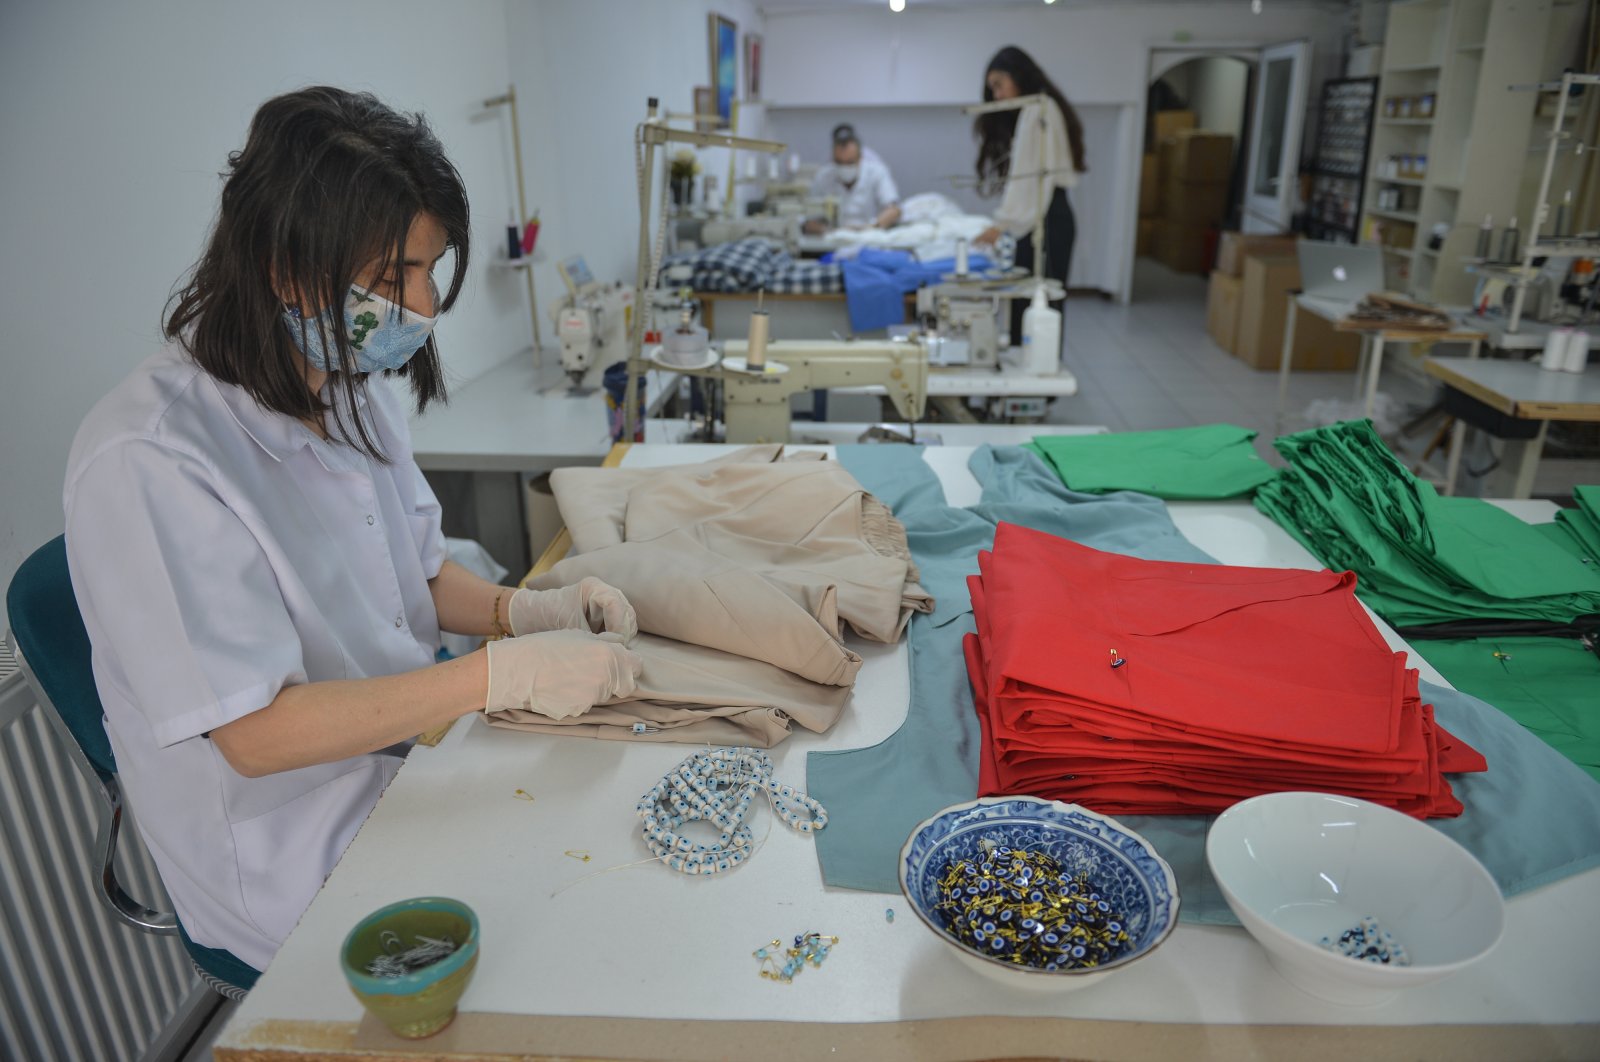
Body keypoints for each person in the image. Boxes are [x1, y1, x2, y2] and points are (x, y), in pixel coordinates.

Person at [62, 87, 643, 975]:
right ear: (287, 268)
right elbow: (256, 736)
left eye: (428, 270)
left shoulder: (342, 382)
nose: (422, 307)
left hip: (400, 754)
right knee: (572, 920)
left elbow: (418, 571)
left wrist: (529, 613)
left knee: (600, 822)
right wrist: (497, 676)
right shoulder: (148, 460)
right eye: (392, 276)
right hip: (288, 847)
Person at [970, 46, 1087, 343]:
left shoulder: (1038, 110)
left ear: (1018, 75)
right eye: (991, 88)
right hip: (1046, 212)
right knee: (1037, 302)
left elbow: (1028, 179)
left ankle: (1037, 371)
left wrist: (1002, 224)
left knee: (1039, 301)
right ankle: (1032, 368)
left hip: (1047, 215)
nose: (996, 95)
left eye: (999, 84)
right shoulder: (1041, 107)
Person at [804, 123, 901, 233]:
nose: (844, 168)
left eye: (850, 162)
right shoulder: (823, 176)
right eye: (839, 162)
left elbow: (894, 210)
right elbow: (809, 220)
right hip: (833, 239)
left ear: (860, 158)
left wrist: (872, 228)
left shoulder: (877, 172)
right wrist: (830, 231)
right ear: (832, 159)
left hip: (870, 237)